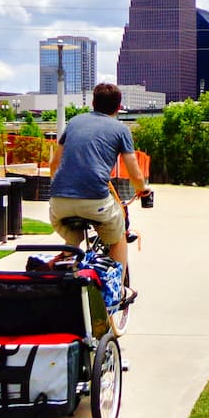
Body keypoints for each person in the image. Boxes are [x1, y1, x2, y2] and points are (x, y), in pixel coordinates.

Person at [49, 83, 148, 280]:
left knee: (72, 237)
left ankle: (67, 272)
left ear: (93, 103)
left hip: (58, 203)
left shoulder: (74, 123)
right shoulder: (121, 130)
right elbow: (135, 173)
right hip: (95, 200)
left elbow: (54, 165)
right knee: (119, 237)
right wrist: (142, 189)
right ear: (119, 107)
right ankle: (116, 291)